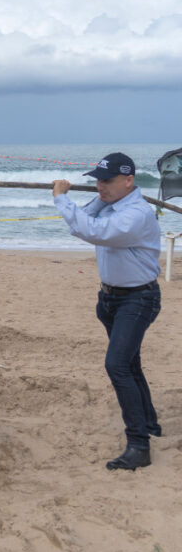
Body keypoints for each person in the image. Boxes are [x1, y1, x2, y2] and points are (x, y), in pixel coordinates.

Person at [52, 152, 162, 471]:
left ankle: (139, 444)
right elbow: (87, 217)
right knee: (129, 363)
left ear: (129, 180)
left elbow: (93, 232)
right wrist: (101, 197)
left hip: (138, 298)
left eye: (108, 181)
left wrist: (61, 198)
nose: (101, 186)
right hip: (111, 298)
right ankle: (151, 425)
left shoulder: (137, 213)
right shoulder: (113, 205)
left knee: (117, 365)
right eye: (98, 180)